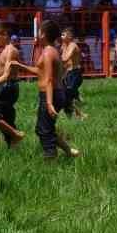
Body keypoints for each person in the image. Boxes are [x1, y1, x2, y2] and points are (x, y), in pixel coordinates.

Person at [32, 20, 80, 159]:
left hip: (50, 95)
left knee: (44, 131)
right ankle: (69, 152)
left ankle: (50, 159)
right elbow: (41, 71)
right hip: (55, 94)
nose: (37, 35)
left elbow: (48, 79)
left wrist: (48, 103)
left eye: (39, 32)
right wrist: (19, 65)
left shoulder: (48, 52)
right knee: (44, 129)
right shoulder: (52, 50)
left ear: (44, 35)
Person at [58, 27, 89, 119]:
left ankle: (79, 113)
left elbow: (65, 59)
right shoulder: (63, 46)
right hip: (67, 74)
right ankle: (75, 114)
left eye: (63, 34)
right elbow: (63, 63)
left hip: (75, 74)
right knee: (65, 97)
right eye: (61, 34)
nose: (61, 36)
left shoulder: (73, 45)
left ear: (70, 36)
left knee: (67, 96)